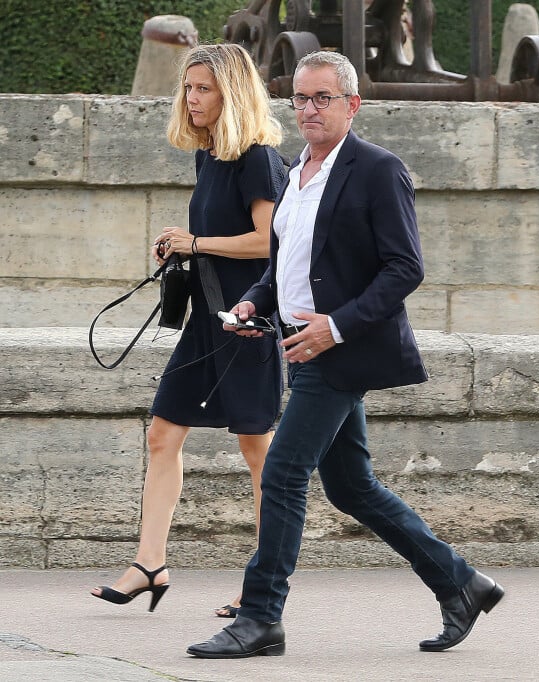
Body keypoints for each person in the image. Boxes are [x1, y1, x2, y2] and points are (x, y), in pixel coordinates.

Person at [186, 50, 504, 658]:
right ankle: (461, 582)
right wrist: (255, 303)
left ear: (352, 105)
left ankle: (260, 618)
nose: (308, 109)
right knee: (352, 487)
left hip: (337, 350)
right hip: (300, 342)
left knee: (281, 473)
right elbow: (287, 264)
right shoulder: (295, 171)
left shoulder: (378, 170)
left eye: (322, 98)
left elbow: (405, 267)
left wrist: (337, 326)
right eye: (300, 99)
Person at [91, 43, 286, 617]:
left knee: (258, 450)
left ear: (232, 91)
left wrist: (196, 243)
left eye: (202, 88)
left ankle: (263, 582)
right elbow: (218, 241)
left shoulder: (258, 157)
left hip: (246, 324)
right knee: (161, 435)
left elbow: (269, 242)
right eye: (187, 87)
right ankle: (149, 564)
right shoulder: (210, 157)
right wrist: (181, 248)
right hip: (205, 322)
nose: (191, 98)